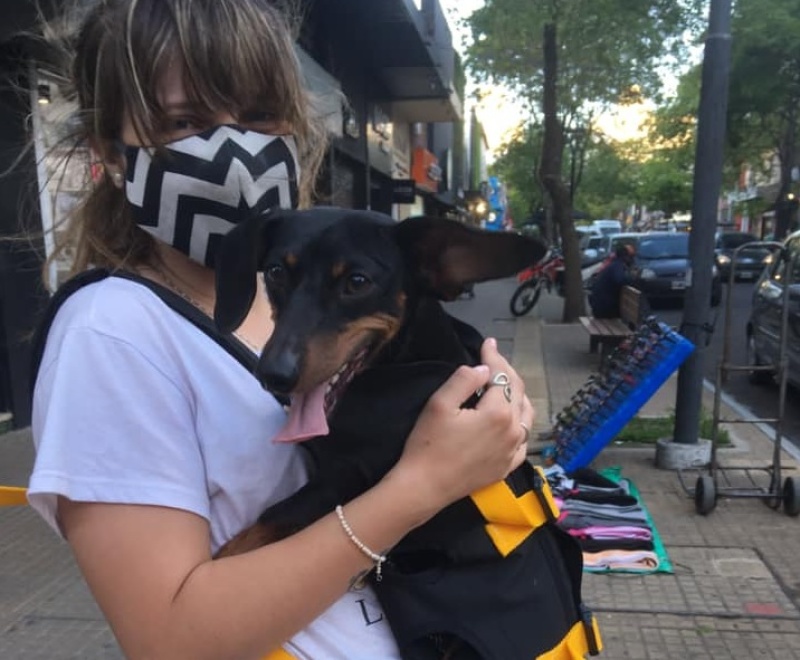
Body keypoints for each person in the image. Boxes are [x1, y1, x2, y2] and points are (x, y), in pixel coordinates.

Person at [26, 1, 535, 658]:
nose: (233, 150)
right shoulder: (113, 334)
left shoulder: (294, 294)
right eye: (184, 121)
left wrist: (497, 414)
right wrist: (424, 485)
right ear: (110, 153)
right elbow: (170, 642)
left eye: (260, 116)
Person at [588, 243, 638, 319]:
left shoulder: (614, 264)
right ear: (625, 257)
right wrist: (631, 279)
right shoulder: (617, 266)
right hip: (604, 310)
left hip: (599, 307)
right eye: (631, 257)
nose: (632, 260)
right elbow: (619, 280)